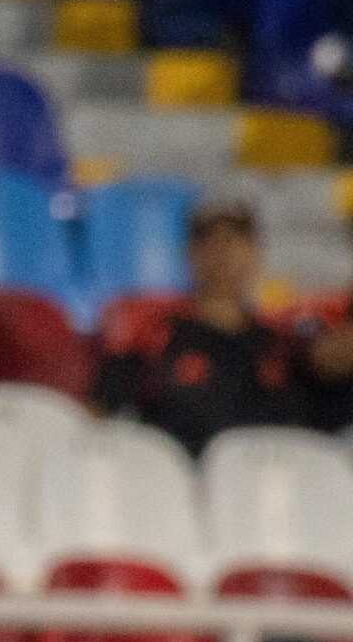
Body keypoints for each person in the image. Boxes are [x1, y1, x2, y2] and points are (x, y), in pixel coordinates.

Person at [95, 195, 353, 458]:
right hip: (176, 476)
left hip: (273, 477)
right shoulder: (154, 336)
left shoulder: (281, 345)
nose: (222, 252)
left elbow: (329, 368)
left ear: (255, 252)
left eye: (235, 240)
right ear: (189, 252)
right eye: (208, 240)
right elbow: (105, 408)